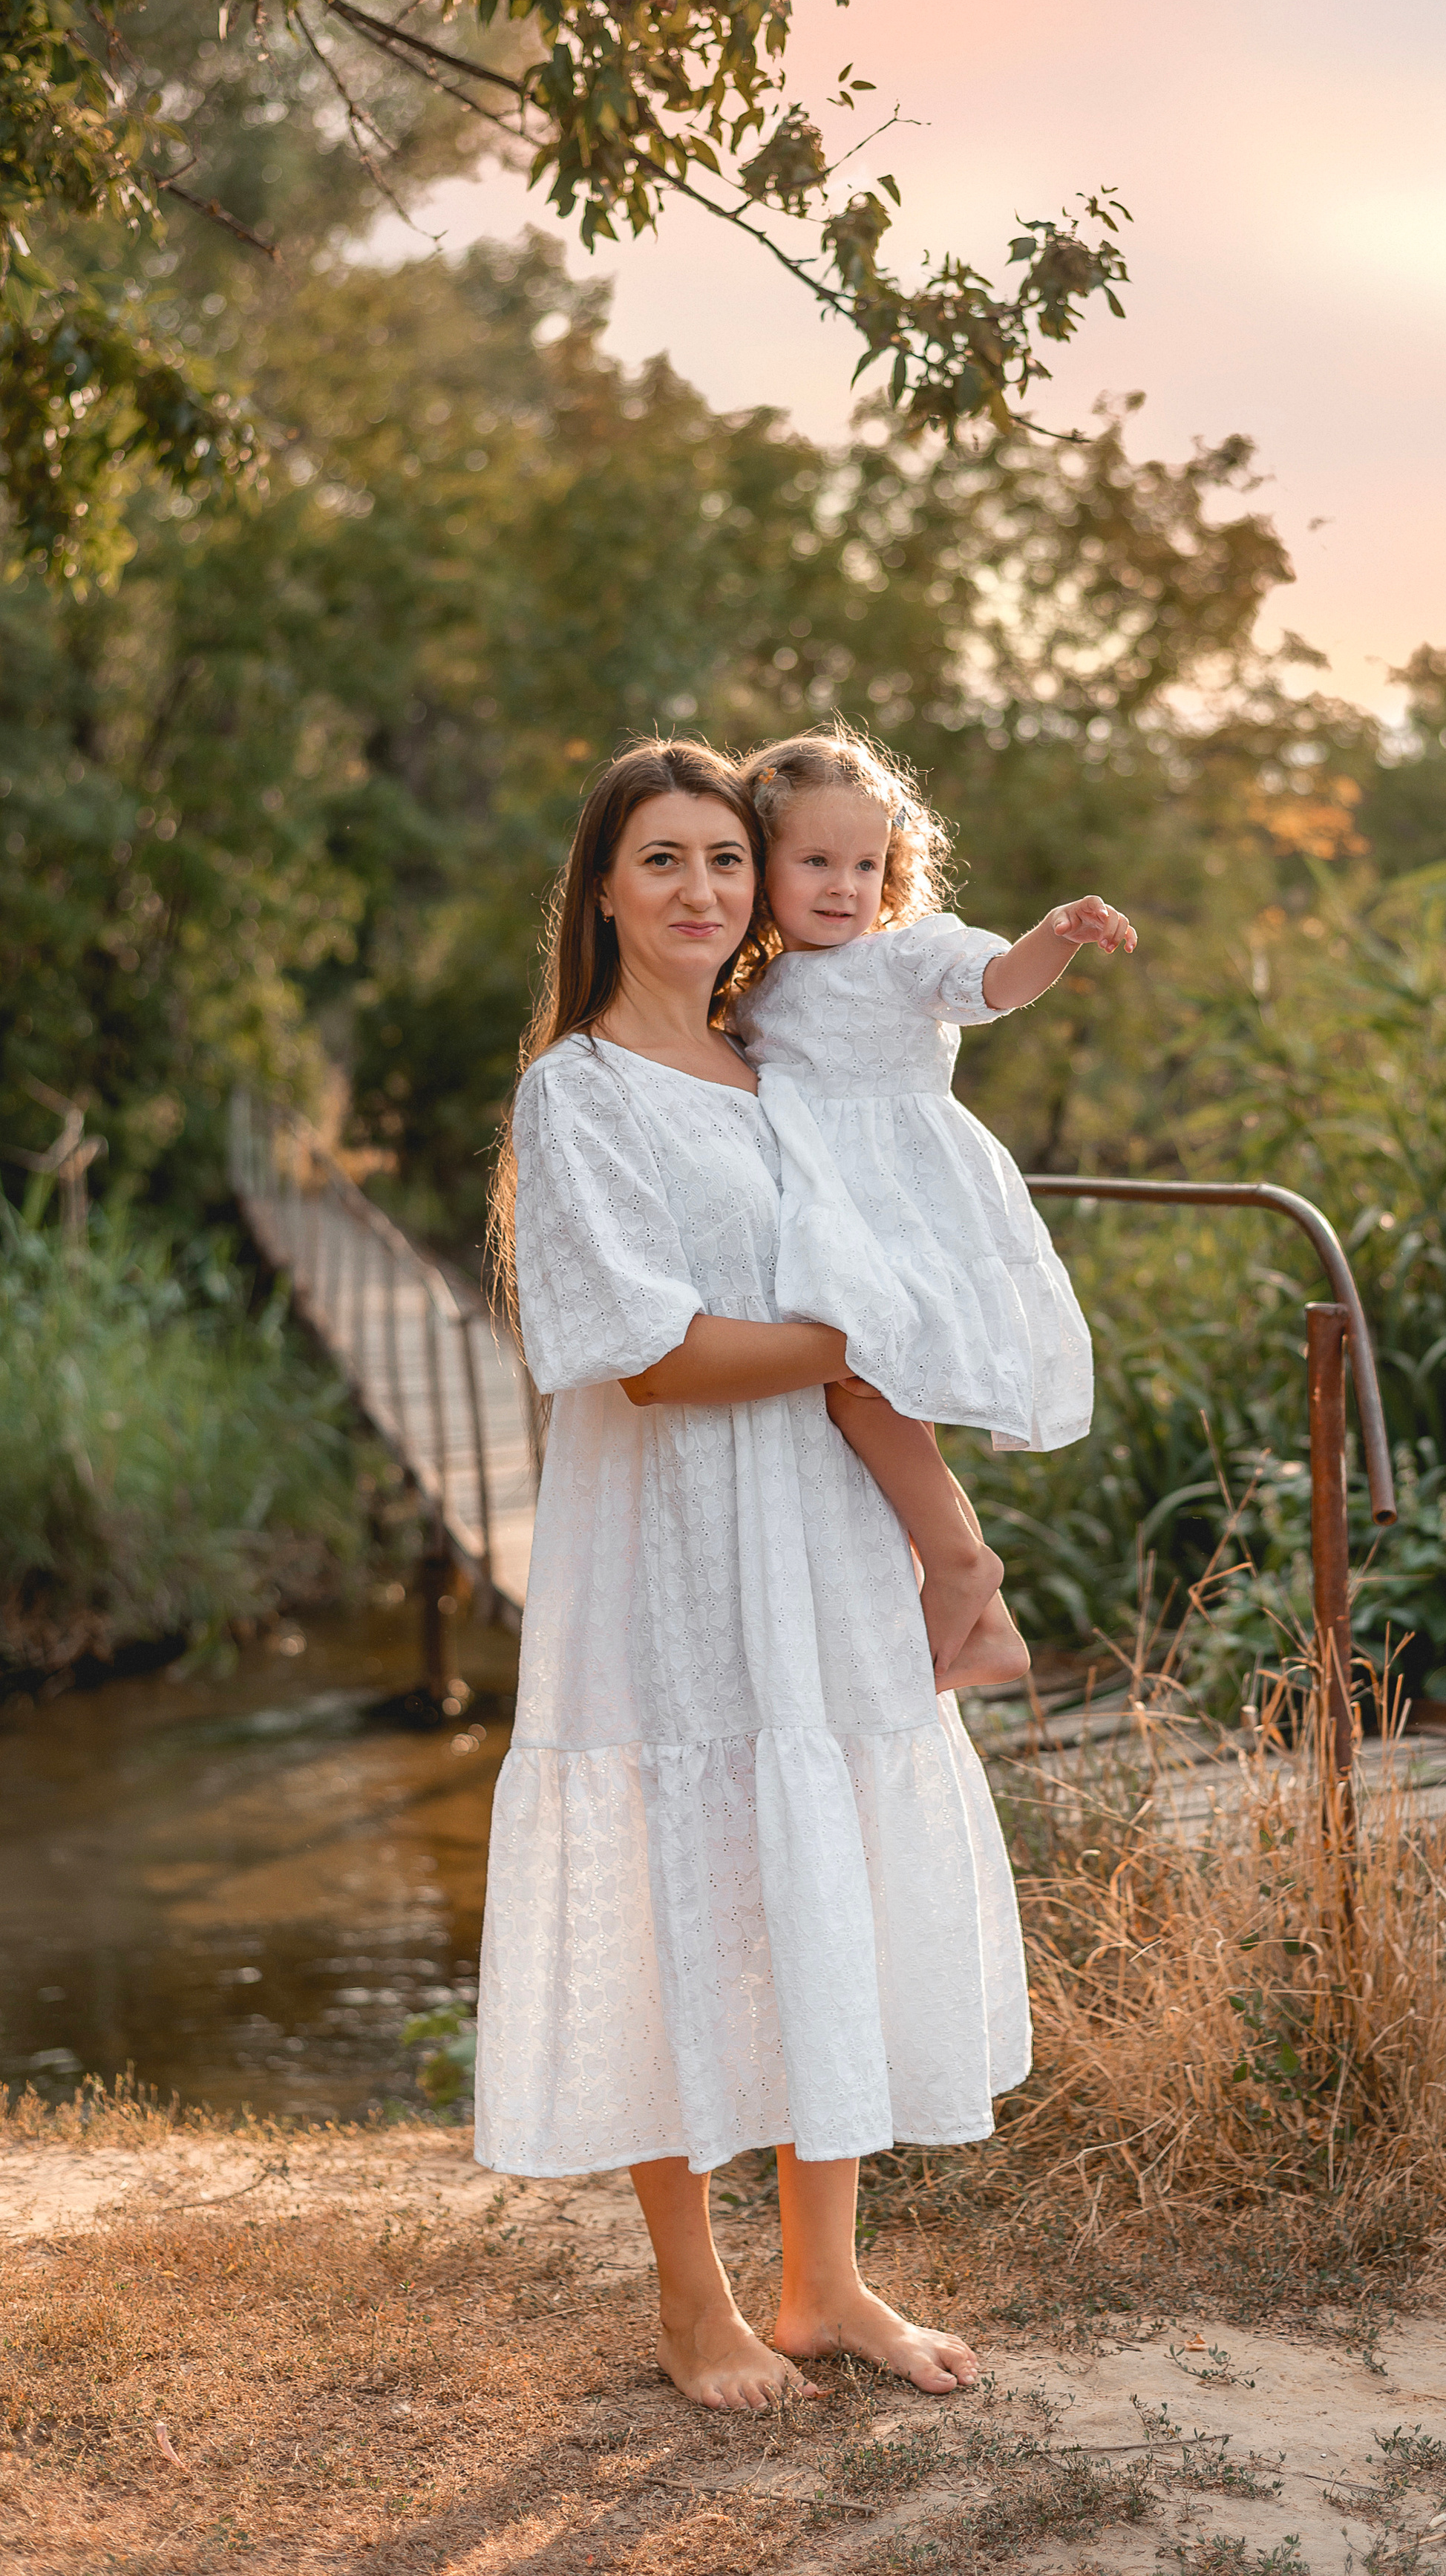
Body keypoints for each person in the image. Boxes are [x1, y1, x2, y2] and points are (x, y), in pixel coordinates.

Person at [475, 738, 1030, 2412]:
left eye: (726, 861)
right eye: (662, 861)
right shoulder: (576, 1090)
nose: (702, 892)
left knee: (825, 1881)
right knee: (682, 1890)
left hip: (821, 1530)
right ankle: (692, 2304)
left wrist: (942, 1514)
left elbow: (883, 1251)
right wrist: (862, 1336)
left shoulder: (776, 1066)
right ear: (600, 890)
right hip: (670, 1546)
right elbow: (645, 1353)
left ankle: (825, 2285)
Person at [730, 726, 1136, 1690]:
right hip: (823, 1206)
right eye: (815, 860)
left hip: (903, 1204)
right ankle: (982, 1607)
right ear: (761, 868)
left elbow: (993, 985)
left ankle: (960, 1563)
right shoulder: (757, 986)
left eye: (866, 863)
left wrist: (1056, 937)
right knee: (856, 1385)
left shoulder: (904, 956)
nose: (843, 884)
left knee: (858, 1374)